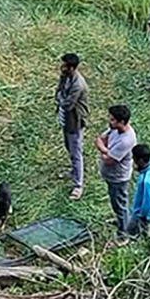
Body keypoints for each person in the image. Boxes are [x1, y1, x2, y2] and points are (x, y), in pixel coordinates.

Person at [94, 105, 138, 232]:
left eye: (112, 119)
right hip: (111, 175)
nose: (109, 121)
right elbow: (100, 139)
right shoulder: (114, 129)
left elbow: (109, 160)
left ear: (122, 122)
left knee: (120, 205)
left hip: (118, 178)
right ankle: (121, 220)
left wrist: (103, 150)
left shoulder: (126, 140)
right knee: (117, 203)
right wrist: (106, 151)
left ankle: (124, 233)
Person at [56, 53, 89, 201]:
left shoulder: (78, 84)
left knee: (76, 152)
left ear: (72, 68)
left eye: (64, 66)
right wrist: (60, 98)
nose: (61, 68)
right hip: (66, 119)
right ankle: (74, 172)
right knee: (68, 147)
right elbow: (58, 92)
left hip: (75, 121)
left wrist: (60, 99)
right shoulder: (65, 76)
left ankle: (78, 185)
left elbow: (68, 104)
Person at [125, 144, 150, 240]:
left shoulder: (147, 182)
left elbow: (147, 204)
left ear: (141, 160)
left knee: (128, 233)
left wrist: (139, 217)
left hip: (148, 216)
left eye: (134, 159)